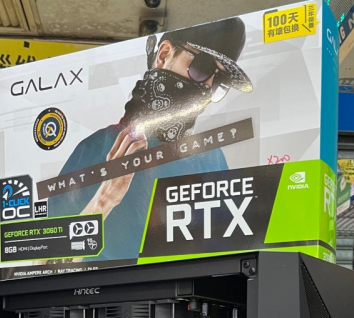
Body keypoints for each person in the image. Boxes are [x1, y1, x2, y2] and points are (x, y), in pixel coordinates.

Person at [48, 17, 252, 263]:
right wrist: (104, 200)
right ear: (164, 54)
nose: (208, 87)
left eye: (219, 81)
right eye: (203, 67)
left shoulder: (211, 157)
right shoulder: (96, 147)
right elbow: (50, 264)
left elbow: (227, 253)